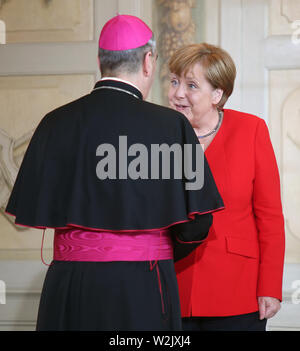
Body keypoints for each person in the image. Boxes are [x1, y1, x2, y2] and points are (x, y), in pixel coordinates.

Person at [5, 17, 224, 331]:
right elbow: (198, 224)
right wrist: (142, 247)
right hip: (144, 284)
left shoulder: (54, 122)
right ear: (148, 62)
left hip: (70, 283)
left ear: (100, 61)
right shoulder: (172, 126)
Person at [168, 43, 285, 331]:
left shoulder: (251, 130)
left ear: (217, 94)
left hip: (236, 290)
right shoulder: (158, 133)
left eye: (191, 85)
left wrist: (269, 286)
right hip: (173, 287)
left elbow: (269, 216)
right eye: (174, 82)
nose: (178, 93)